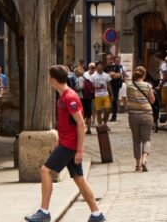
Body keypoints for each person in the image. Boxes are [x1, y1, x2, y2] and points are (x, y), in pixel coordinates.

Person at [24, 66, 105, 222]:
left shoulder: (69, 97)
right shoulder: (64, 96)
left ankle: (44, 212)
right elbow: (67, 123)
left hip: (70, 144)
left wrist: (79, 150)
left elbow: (81, 124)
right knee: (78, 178)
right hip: (67, 142)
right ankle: (96, 214)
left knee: (45, 171)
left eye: (49, 77)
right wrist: (59, 140)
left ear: (53, 79)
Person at [120, 66, 156, 172]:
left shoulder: (129, 86)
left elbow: (125, 99)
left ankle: (137, 165)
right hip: (147, 114)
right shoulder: (148, 85)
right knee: (146, 139)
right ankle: (144, 159)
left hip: (133, 115)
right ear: (144, 75)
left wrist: (129, 105)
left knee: (136, 140)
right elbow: (152, 100)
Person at [88, 62, 112, 127]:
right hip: (97, 95)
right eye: (99, 66)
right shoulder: (93, 76)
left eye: (101, 66)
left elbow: (109, 85)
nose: (100, 67)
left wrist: (111, 94)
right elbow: (91, 86)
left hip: (105, 94)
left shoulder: (106, 75)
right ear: (96, 67)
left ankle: (105, 121)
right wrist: (97, 87)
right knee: (98, 111)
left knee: (108, 109)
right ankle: (101, 126)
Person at [107, 56, 124, 122]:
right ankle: (107, 115)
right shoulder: (106, 68)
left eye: (111, 59)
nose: (110, 61)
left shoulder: (117, 67)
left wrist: (111, 75)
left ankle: (114, 116)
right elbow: (106, 76)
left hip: (115, 86)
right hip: (108, 86)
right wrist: (112, 75)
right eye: (109, 59)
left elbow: (118, 75)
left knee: (114, 101)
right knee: (108, 101)